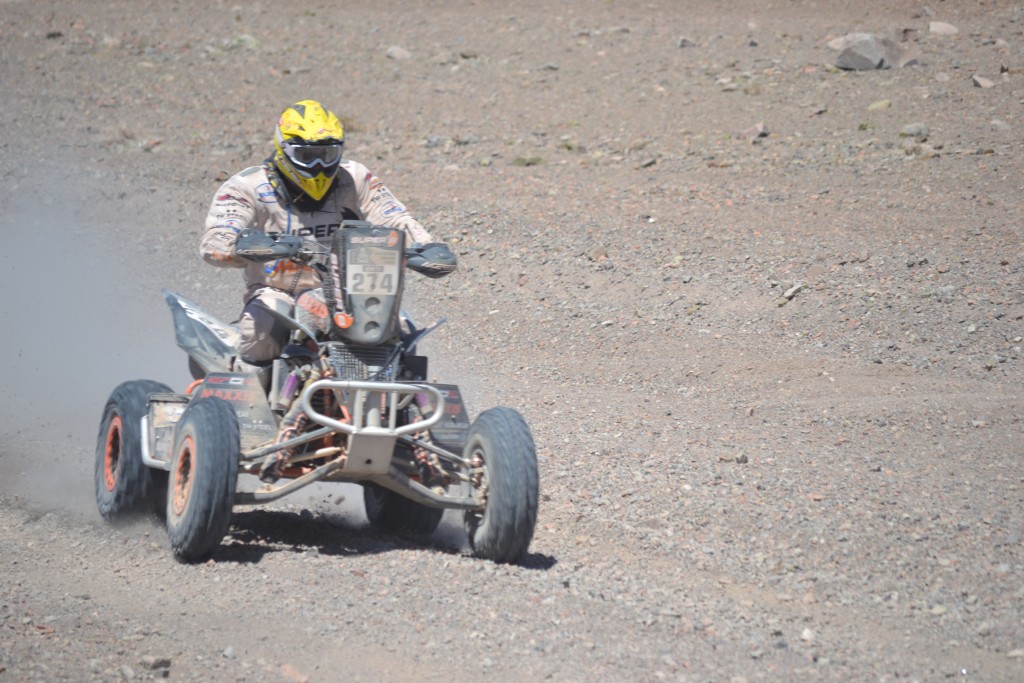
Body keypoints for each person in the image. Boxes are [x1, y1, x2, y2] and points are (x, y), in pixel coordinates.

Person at [200, 99, 453, 373]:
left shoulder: (354, 177)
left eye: (328, 154)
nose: (319, 165)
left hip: (350, 292)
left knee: (402, 330)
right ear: (284, 150)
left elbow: (394, 217)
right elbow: (216, 241)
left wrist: (425, 247)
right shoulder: (247, 187)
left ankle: (403, 405)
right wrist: (246, 246)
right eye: (308, 156)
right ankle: (249, 402)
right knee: (261, 328)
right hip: (278, 291)